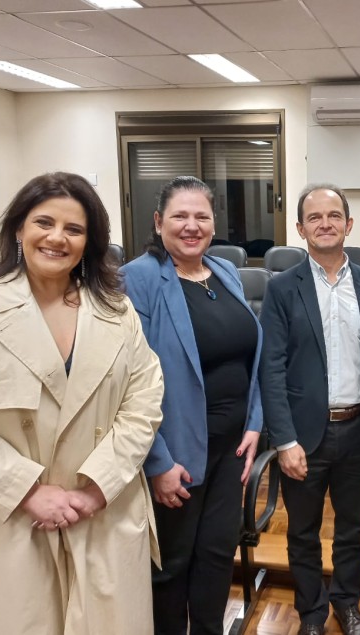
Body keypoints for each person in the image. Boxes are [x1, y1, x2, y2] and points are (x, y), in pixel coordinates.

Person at [0, 172, 164, 635]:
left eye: (74, 229)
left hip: (100, 511)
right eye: (43, 223)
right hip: (6, 517)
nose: (57, 238)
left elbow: (144, 403)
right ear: (18, 229)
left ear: (90, 242)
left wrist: (97, 486)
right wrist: (29, 492)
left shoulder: (116, 309)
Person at [121, 176, 263, 635]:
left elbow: (251, 357)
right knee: (171, 566)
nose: (191, 226)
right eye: (180, 216)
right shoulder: (138, 279)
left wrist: (255, 425)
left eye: (201, 216)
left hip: (231, 449)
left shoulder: (222, 271)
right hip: (176, 450)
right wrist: (156, 461)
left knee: (217, 557)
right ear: (158, 221)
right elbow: (125, 379)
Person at [260, 183, 360, 635]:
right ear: (300, 228)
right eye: (314, 218)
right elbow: (271, 369)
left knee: (354, 530)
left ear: (349, 224)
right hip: (303, 435)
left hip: (359, 431)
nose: (325, 224)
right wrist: (283, 440)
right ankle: (312, 614)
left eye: (334, 215)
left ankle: (347, 605)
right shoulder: (281, 288)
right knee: (303, 533)